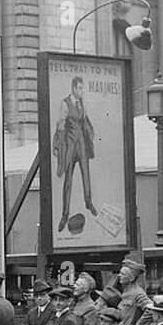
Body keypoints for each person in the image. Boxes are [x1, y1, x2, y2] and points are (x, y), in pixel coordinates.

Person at [52, 75, 97, 231]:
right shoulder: (65, 104)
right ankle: (65, 215)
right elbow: (60, 125)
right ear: (73, 88)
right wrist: (57, 144)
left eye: (82, 88)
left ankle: (89, 202)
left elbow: (85, 120)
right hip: (70, 146)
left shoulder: (81, 104)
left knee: (86, 175)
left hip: (81, 146)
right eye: (79, 88)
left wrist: (90, 132)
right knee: (68, 181)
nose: (81, 90)